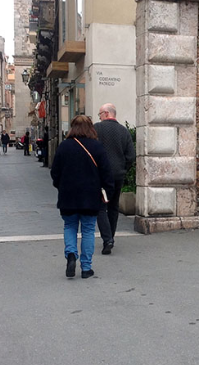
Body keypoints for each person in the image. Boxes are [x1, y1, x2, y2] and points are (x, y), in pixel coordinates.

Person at [51, 115, 114, 279]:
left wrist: (61, 186)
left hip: (68, 196)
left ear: (72, 128)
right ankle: (86, 268)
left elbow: (55, 172)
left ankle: (71, 254)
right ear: (90, 128)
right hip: (90, 197)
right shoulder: (97, 147)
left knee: (70, 226)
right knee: (88, 230)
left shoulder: (64, 146)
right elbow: (107, 174)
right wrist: (107, 192)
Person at [94, 103, 135, 255]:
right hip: (118, 174)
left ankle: (107, 239)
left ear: (105, 113)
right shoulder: (124, 131)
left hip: (101, 175)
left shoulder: (97, 129)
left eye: (100, 114)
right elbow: (131, 155)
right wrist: (124, 169)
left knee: (100, 206)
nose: (99, 117)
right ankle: (111, 235)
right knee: (114, 206)